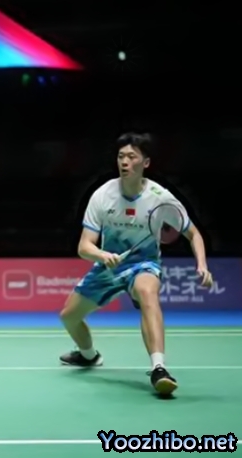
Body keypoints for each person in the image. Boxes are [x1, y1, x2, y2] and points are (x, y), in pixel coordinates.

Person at [58, 132, 213, 396]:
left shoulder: (160, 198)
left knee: (146, 292)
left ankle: (159, 368)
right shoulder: (103, 195)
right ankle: (89, 355)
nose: (125, 162)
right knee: (69, 317)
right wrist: (102, 256)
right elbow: (84, 247)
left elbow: (193, 233)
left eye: (131, 157)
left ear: (146, 163)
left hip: (144, 264)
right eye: (121, 156)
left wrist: (202, 264)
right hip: (108, 265)